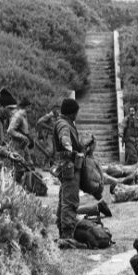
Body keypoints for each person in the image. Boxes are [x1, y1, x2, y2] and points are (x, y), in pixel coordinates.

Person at [52, 98, 85, 241]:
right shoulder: (63, 124)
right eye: (76, 113)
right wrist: (70, 148)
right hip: (69, 166)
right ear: (72, 113)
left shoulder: (65, 122)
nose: (77, 116)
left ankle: (63, 230)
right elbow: (64, 138)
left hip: (68, 166)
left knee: (64, 199)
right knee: (70, 200)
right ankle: (67, 234)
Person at [7, 98, 33, 165]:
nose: (31, 108)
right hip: (16, 145)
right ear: (27, 107)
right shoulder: (18, 116)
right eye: (30, 106)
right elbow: (10, 130)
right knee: (17, 166)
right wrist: (22, 137)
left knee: (28, 164)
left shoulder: (24, 116)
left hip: (22, 145)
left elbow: (24, 130)